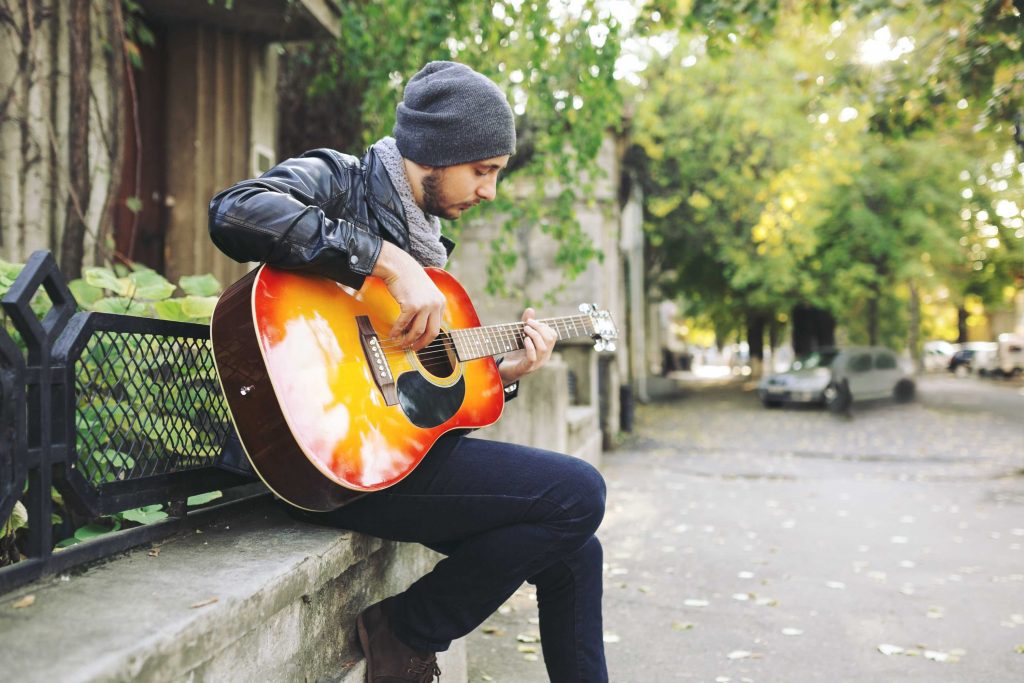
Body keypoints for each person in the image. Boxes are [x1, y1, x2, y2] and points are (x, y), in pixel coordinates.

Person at [208, 61, 608, 683]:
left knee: (578, 551)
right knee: (580, 492)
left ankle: (409, 632)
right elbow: (235, 211)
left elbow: (414, 404)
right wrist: (382, 259)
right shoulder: (343, 181)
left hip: (389, 455)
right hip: (320, 454)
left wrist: (502, 373)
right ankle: (406, 629)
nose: (490, 191)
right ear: (437, 154)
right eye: (483, 171)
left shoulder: (431, 242)